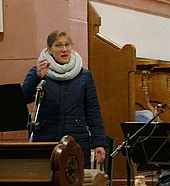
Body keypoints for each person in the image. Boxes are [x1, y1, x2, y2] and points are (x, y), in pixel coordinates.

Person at [22, 30, 107, 169]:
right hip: (46, 139)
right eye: (59, 45)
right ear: (49, 49)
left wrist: (99, 142)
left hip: (76, 140)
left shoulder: (84, 75)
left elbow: (93, 111)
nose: (64, 50)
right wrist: (37, 77)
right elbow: (23, 98)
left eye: (67, 45)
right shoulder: (38, 71)